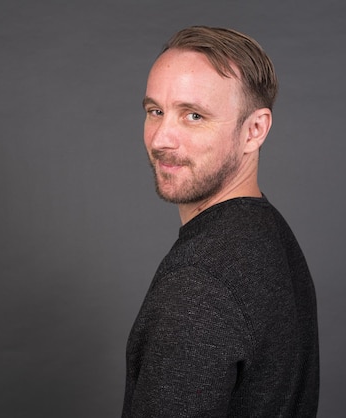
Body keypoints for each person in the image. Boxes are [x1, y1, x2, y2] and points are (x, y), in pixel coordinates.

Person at [122, 26, 319, 417]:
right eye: (155, 111)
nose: (162, 138)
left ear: (254, 130)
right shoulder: (269, 234)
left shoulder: (198, 282)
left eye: (194, 115)